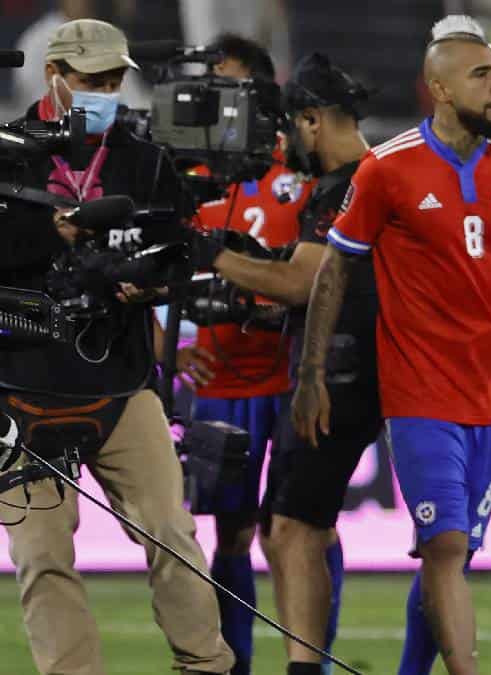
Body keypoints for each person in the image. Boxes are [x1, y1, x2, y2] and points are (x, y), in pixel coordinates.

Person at [292, 15, 491, 675]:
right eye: (483, 75)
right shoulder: (389, 168)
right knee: (446, 545)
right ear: (441, 89)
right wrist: (311, 373)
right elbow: (334, 270)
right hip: (418, 394)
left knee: (450, 556)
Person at [0, 19, 234, 675]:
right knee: (43, 554)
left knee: (172, 530)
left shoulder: (144, 157)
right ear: (53, 76)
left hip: (122, 379)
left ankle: (207, 665)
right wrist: (56, 235)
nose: (105, 92)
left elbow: (176, 246)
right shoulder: (8, 152)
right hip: (22, 387)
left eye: (113, 80)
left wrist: (151, 283)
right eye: (91, 79)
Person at [187, 52, 377, 675]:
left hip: (328, 376)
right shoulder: (363, 176)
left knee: (295, 528)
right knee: (273, 528)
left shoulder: (337, 182)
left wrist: (213, 256)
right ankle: (266, 664)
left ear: (308, 118)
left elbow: (302, 281)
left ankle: (305, 664)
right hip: (300, 372)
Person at [171, 32, 308, 675]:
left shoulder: (301, 170)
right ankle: (237, 666)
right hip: (221, 379)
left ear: (260, 94)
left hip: (294, 377)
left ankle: (310, 662)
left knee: (301, 528)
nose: (215, 101)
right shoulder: (188, 177)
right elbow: (144, 269)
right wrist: (167, 352)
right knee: (233, 532)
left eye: (228, 87)